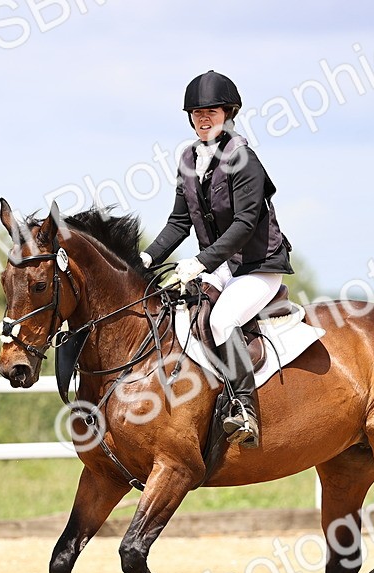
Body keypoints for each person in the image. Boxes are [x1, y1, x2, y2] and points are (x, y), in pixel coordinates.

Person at [140, 70, 294, 449]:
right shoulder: (188, 159)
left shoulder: (243, 159)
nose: (203, 118)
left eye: (211, 111)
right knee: (182, 313)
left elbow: (244, 223)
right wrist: (145, 258)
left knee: (222, 320)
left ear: (228, 113)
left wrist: (200, 261)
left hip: (258, 265)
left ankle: (244, 410)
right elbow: (179, 222)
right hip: (222, 267)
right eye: (197, 113)